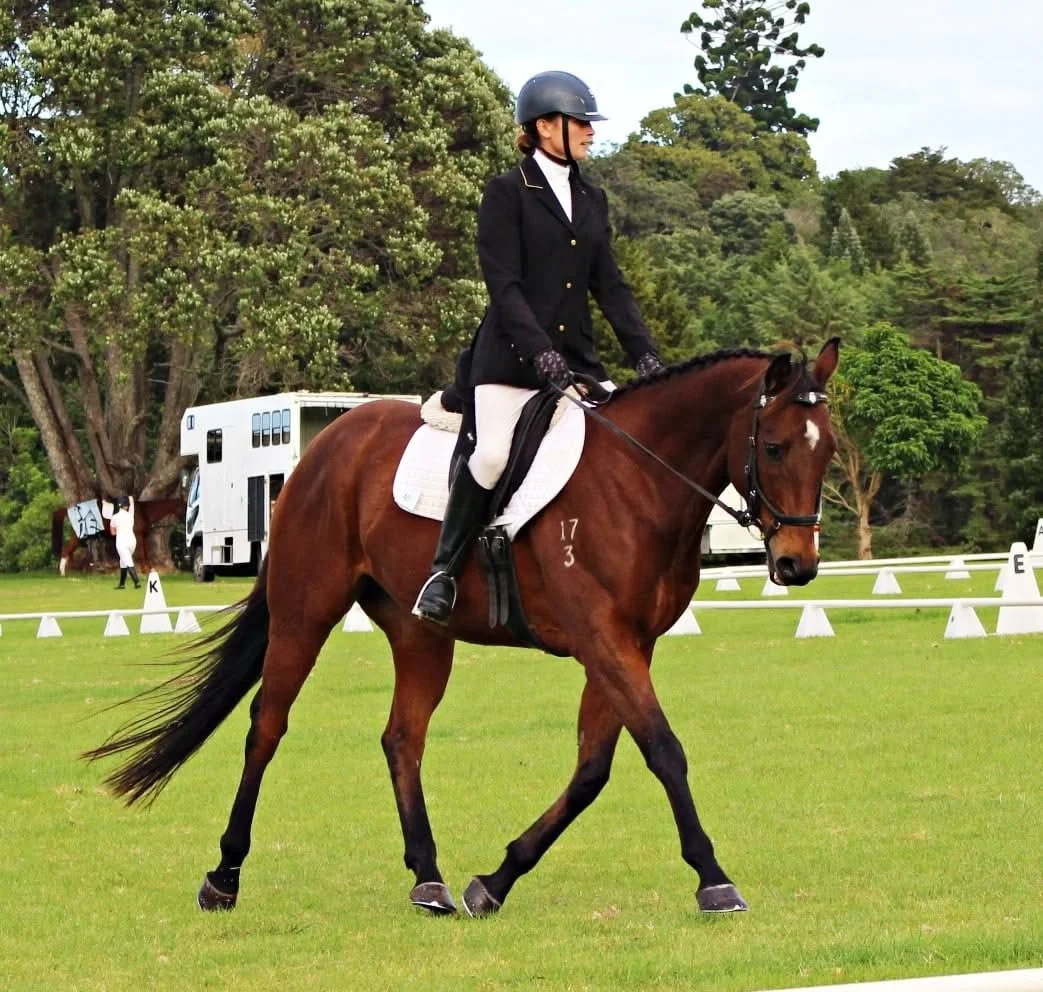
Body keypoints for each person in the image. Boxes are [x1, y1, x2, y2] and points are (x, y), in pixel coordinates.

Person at [412, 69, 665, 626]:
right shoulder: (507, 193)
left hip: (578, 362)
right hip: (507, 363)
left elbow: (611, 286)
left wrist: (644, 353)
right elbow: (504, 286)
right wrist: (539, 353)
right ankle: (444, 571)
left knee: (620, 446)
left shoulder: (591, 198)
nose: (591, 134)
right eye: (582, 123)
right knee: (493, 454)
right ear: (547, 127)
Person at [110, 495, 141, 590]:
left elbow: (113, 532)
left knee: (127, 562)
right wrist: (130, 498)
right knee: (123, 562)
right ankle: (122, 584)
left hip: (121, 542)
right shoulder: (130, 514)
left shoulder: (115, 517)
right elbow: (132, 504)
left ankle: (137, 582)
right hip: (132, 541)